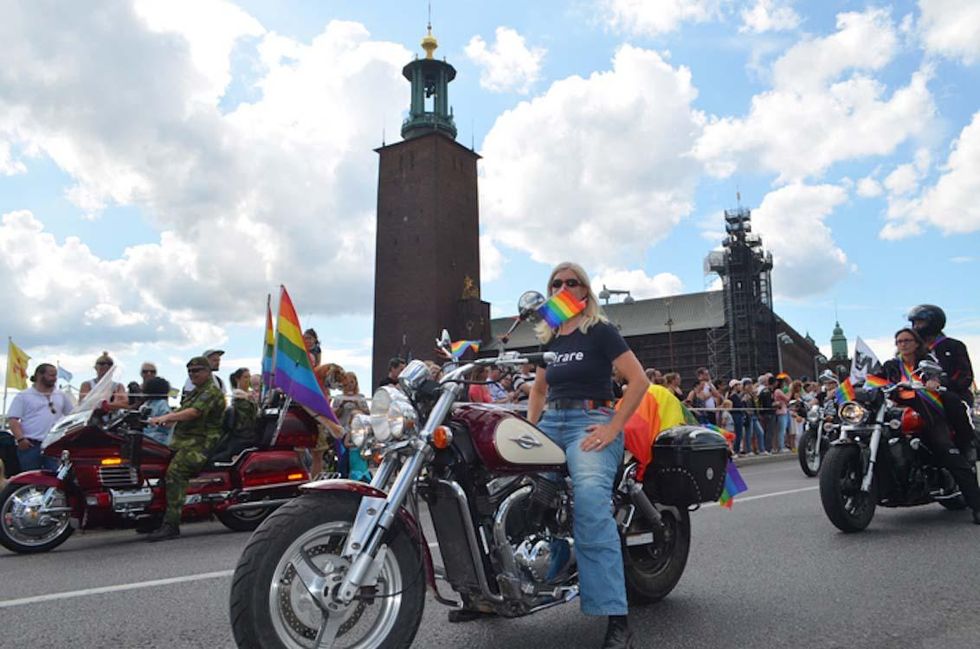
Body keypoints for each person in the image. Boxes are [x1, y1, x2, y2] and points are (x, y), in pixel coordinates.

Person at [526, 262, 648, 649]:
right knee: (500, 483)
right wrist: (530, 430)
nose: (563, 286)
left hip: (590, 421)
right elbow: (538, 391)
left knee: (592, 502)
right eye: (556, 283)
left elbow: (638, 381)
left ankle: (618, 619)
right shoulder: (551, 340)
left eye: (571, 282)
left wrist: (613, 427)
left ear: (584, 292)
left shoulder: (599, 330)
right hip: (552, 423)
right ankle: (491, 591)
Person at [881, 327, 980, 525]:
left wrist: (934, 381)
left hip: (928, 412)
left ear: (916, 343)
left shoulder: (926, 361)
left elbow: (937, 375)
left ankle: (977, 506)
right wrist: (846, 390)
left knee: (946, 449)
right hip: (899, 413)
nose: (903, 344)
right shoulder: (892, 365)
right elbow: (872, 379)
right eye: (899, 341)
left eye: (907, 340)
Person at [145, 356, 226, 541]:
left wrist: (168, 417)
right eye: (190, 371)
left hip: (202, 443)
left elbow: (193, 412)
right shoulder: (195, 392)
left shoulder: (211, 392)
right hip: (184, 442)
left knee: (175, 473)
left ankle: (171, 524)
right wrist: (163, 421)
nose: (192, 374)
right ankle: (154, 517)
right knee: (157, 465)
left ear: (207, 372)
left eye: (197, 370)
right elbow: (184, 413)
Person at [907, 304, 977, 454]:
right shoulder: (912, 350)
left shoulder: (953, 346)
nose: (915, 326)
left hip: (951, 394)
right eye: (914, 323)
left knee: (954, 404)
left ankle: (966, 447)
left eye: (920, 322)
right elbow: (901, 370)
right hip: (921, 396)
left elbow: (965, 375)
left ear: (934, 322)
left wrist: (943, 383)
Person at [7, 364, 73, 471]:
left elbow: (72, 415)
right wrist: (21, 439)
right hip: (31, 445)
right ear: (39, 375)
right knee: (31, 480)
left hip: (54, 445)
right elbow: (13, 420)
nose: (54, 379)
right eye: (51, 375)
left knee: (55, 478)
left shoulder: (60, 395)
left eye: (55, 375)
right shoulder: (23, 396)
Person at [331, 372, 370, 481]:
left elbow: (368, 414)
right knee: (343, 457)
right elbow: (333, 415)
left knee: (357, 457)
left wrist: (358, 405)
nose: (350, 385)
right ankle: (342, 476)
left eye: (352, 382)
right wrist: (342, 405)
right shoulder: (338, 397)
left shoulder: (361, 397)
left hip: (358, 432)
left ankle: (359, 477)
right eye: (347, 383)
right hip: (343, 431)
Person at [142, 377, 173, 445]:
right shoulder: (147, 403)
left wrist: (157, 422)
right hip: (144, 437)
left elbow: (169, 423)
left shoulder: (162, 403)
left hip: (157, 440)